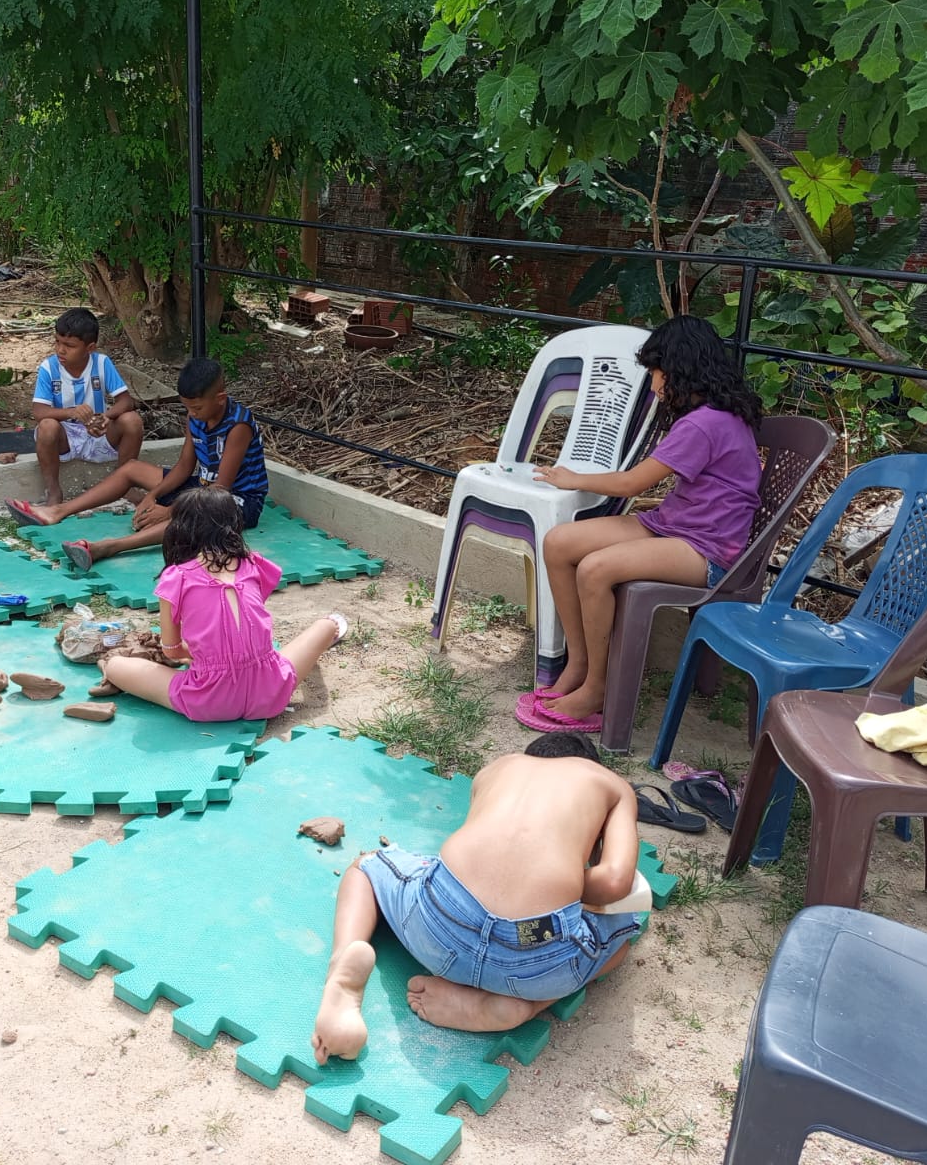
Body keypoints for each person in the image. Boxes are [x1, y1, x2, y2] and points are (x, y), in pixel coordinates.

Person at [310, 731, 641, 1062]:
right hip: (537, 948)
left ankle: (341, 972)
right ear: (591, 765)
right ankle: (526, 1007)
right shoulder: (611, 785)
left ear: (529, 756)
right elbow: (614, 882)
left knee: (367, 866)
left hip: (441, 923)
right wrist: (567, 884)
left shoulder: (498, 768)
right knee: (622, 938)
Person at [518, 315, 762, 734]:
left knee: (596, 568)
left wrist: (572, 478)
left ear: (678, 369)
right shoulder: (713, 413)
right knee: (559, 543)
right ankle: (579, 663)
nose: (653, 384)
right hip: (673, 525)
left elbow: (633, 483)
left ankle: (598, 688)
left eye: (655, 372)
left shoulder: (705, 422)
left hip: (707, 549)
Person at [101, 486, 345, 722]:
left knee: (115, 665)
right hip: (270, 692)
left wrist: (200, 656)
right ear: (234, 524)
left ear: (179, 528)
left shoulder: (176, 577)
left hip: (208, 700)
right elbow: (241, 627)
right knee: (327, 624)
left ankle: (113, 675)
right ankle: (332, 627)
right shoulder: (253, 564)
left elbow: (172, 650)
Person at [4, 357, 269, 567]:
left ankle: (109, 547)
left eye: (197, 408)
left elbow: (221, 489)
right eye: (187, 407)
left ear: (220, 399)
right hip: (203, 487)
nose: (191, 413)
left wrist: (171, 511)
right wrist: (152, 496)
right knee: (131, 469)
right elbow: (184, 467)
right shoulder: (195, 417)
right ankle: (58, 511)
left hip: (236, 501)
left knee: (191, 517)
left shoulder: (238, 426)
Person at [30, 307, 146, 506]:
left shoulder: (101, 363)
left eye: (69, 345)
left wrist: (107, 417)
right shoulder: (48, 367)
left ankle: (125, 485)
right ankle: (53, 491)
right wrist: (72, 412)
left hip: (99, 432)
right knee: (47, 426)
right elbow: (39, 412)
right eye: (57, 342)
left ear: (90, 348)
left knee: (132, 420)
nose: (60, 350)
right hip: (65, 437)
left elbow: (126, 401)